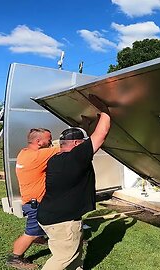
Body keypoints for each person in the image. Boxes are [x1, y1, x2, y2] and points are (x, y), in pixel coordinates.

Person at [37, 95, 111, 270]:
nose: (86, 145)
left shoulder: (57, 157)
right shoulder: (76, 158)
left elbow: (78, 141)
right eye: (83, 143)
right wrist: (105, 111)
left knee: (73, 254)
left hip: (49, 215)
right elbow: (101, 134)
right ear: (78, 144)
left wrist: (84, 125)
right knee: (63, 258)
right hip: (63, 221)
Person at [7, 128, 60, 269]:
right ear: (38, 141)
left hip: (30, 201)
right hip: (35, 204)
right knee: (30, 232)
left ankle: (39, 237)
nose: (50, 141)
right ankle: (15, 258)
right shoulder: (38, 156)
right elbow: (68, 146)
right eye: (48, 139)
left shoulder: (24, 153)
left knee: (49, 221)